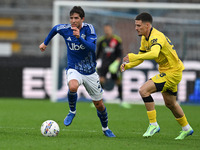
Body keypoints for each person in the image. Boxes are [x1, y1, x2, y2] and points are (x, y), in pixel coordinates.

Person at [39, 6, 115, 137]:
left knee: (99, 105)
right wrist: (45, 43)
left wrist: (80, 38)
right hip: (74, 67)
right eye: (71, 18)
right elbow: (54, 29)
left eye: (76, 18)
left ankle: (105, 128)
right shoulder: (65, 29)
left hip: (90, 71)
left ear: (82, 19)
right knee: (73, 86)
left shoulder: (89, 29)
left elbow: (92, 48)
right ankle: (72, 111)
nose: (73, 21)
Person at [121, 12, 193, 140]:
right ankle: (186, 128)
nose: (136, 28)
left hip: (172, 72)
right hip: (168, 71)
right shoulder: (144, 38)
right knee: (171, 104)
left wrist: (134, 56)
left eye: (138, 25)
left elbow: (154, 54)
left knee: (143, 90)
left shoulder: (156, 36)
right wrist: (128, 65)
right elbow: (141, 58)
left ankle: (153, 124)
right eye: (135, 25)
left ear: (147, 25)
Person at [96, 24, 131, 108]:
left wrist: (116, 63)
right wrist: (95, 63)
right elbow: (98, 54)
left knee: (118, 81)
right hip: (104, 63)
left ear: (111, 30)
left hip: (114, 63)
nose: (107, 31)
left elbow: (120, 54)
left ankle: (121, 101)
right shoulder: (101, 41)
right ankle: (98, 101)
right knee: (101, 80)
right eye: (105, 29)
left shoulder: (117, 40)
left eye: (108, 29)